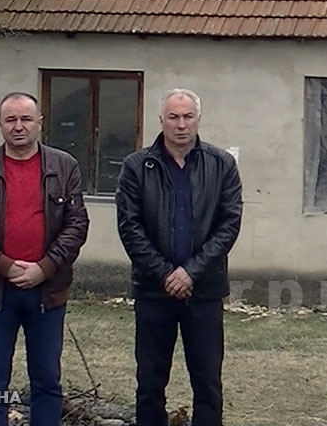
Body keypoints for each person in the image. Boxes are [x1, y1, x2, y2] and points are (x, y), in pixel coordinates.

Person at [0, 92, 89, 426]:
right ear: (0, 124)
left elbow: (77, 225)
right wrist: (4, 265)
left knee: (46, 380)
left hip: (48, 292)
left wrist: (44, 268)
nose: (18, 126)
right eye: (11, 120)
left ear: (39, 123)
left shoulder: (64, 166)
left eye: (26, 119)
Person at [116, 88, 243, 426]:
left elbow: (229, 225)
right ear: (161, 121)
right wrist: (164, 274)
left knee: (208, 383)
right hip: (153, 292)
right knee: (150, 383)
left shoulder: (222, 165)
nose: (181, 124)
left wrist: (190, 273)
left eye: (188, 117)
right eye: (173, 117)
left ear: (198, 120)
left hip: (204, 292)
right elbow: (130, 227)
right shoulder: (136, 167)